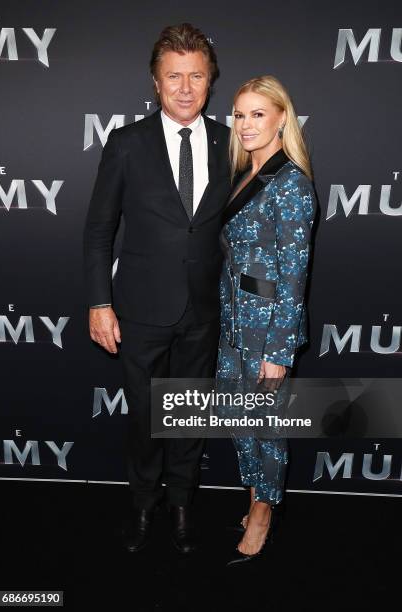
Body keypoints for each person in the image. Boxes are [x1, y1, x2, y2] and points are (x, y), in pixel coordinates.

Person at [83, 23, 230, 554]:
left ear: (210, 82)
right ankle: (144, 506)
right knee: (146, 418)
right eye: (175, 76)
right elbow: (100, 230)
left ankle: (184, 505)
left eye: (196, 76)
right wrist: (100, 301)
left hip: (205, 309)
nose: (186, 88)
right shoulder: (126, 144)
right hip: (141, 309)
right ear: (155, 81)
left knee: (188, 414)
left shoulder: (230, 141)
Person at [216, 75, 316, 565]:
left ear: (281, 118)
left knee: (267, 426)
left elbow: (294, 278)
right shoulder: (244, 174)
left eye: (258, 113)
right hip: (233, 325)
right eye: (239, 113)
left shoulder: (291, 184)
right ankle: (252, 491)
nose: (246, 123)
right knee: (237, 419)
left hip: (266, 332)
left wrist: (277, 355)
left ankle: (263, 509)